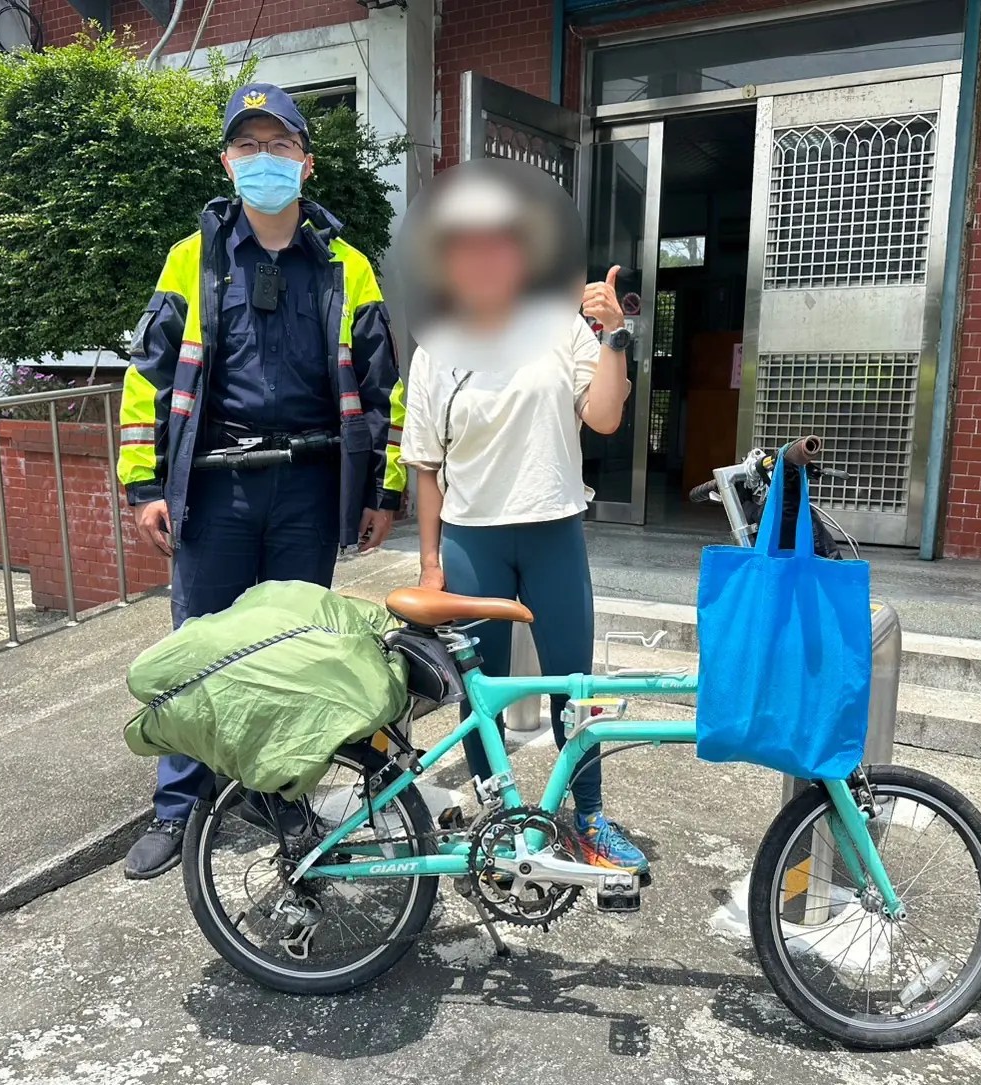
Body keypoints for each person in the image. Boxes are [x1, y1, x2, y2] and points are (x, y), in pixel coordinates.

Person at [117, 83, 406, 879]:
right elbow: (146, 379)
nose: (263, 161)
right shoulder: (192, 256)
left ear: (306, 165)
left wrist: (384, 494)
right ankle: (178, 806)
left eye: (279, 147)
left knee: (292, 647)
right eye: (247, 147)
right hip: (216, 487)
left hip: (309, 487)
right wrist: (143, 486)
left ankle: (280, 789)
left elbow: (385, 386)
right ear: (226, 161)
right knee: (198, 644)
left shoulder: (348, 266)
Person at [398, 169, 647, 875]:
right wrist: (428, 562)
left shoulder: (562, 331)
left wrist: (613, 335)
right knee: (485, 693)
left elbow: (602, 416)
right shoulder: (436, 352)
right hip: (472, 538)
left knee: (576, 686)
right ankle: (497, 814)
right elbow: (423, 466)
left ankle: (589, 814)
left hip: (552, 532)